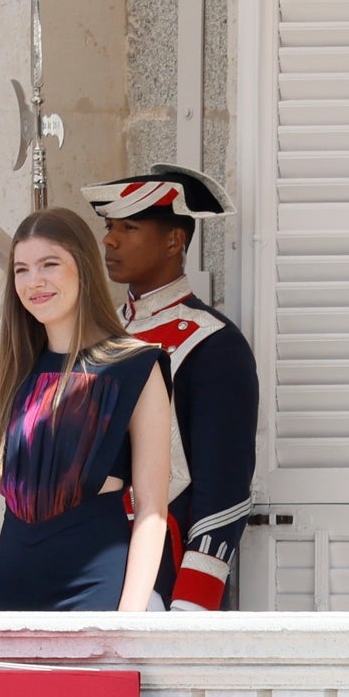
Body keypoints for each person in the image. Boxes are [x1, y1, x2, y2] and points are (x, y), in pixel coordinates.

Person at [0, 207, 171, 611]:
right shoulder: (15, 372)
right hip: (15, 584)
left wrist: (129, 621)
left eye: (49, 264)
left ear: (83, 268)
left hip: (96, 587)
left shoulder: (136, 365)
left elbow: (152, 509)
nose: (33, 281)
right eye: (21, 269)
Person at [82, 164, 258, 611]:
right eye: (108, 227)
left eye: (129, 227)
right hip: (88, 561)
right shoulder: (99, 335)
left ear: (174, 241)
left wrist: (192, 603)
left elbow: (224, 489)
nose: (110, 240)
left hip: (165, 567)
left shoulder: (214, 342)